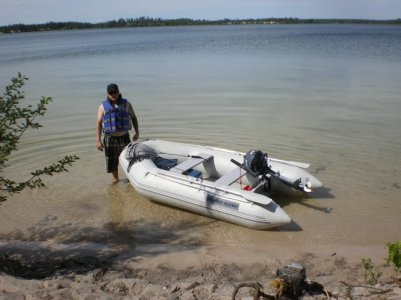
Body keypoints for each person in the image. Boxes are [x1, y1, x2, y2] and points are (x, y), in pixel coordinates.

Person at [96, 83, 139, 183]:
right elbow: (98, 124)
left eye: (115, 92)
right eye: (111, 93)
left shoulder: (127, 104)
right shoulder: (103, 107)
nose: (113, 94)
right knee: (112, 161)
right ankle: (115, 180)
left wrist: (137, 132)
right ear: (107, 94)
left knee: (128, 159)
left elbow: (134, 118)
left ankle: (130, 179)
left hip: (124, 137)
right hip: (109, 138)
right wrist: (97, 140)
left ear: (118, 92)